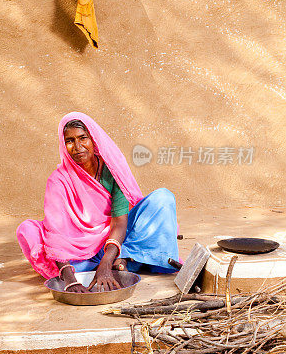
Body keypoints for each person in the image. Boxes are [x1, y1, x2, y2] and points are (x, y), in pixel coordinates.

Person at [17, 112, 180, 293]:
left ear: (93, 139)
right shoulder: (58, 181)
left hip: (115, 238)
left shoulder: (111, 170)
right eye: (69, 141)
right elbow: (56, 236)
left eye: (83, 138)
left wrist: (105, 264)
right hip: (80, 252)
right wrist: (70, 279)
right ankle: (125, 260)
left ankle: (120, 259)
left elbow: (119, 222)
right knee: (27, 230)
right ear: (64, 145)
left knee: (162, 199)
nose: (77, 147)